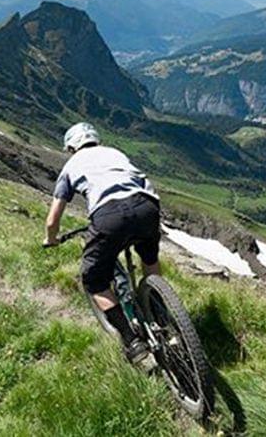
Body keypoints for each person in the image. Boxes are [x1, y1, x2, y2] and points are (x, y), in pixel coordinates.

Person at [42, 122, 160, 365]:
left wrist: (51, 239)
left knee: (94, 280)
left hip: (109, 216)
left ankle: (133, 342)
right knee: (149, 258)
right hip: (146, 205)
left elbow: (53, 219)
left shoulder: (71, 165)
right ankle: (161, 312)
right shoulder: (115, 152)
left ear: (71, 147)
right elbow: (142, 179)